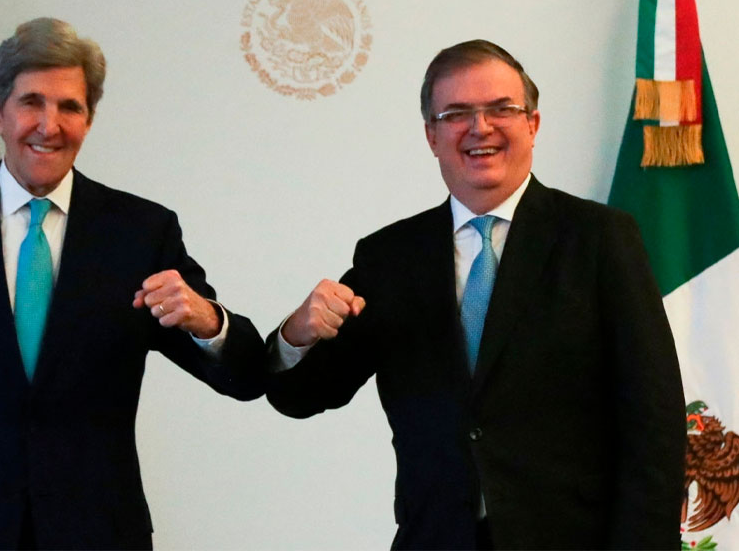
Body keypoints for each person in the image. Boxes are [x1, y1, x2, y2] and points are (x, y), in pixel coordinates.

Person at [0, 17, 266, 550]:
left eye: (70, 107)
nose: (50, 126)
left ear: (89, 119)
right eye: (32, 102)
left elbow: (248, 376)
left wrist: (207, 321)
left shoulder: (141, 234)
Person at [267, 40, 686, 550]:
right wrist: (297, 335)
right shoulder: (390, 257)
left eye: (501, 109)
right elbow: (302, 396)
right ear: (432, 135)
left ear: (532, 124)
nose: (480, 127)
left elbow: (654, 421)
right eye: (456, 114)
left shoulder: (599, 238)